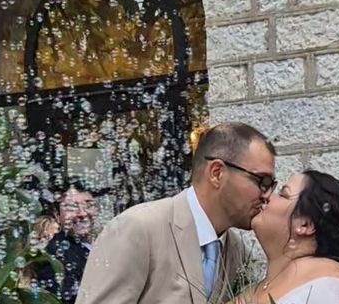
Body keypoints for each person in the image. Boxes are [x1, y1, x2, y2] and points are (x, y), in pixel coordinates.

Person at [76, 122, 277, 304]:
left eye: (271, 186)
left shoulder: (238, 252)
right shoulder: (138, 228)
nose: (267, 195)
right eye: (262, 182)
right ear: (217, 173)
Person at [234, 170, 339, 304]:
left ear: (305, 225)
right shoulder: (269, 283)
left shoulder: (331, 288)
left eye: (283, 195)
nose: (267, 196)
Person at [36, 181, 99, 303]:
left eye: (89, 205)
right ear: (57, 214)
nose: (82, 213)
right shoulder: (55, 255)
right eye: (72, 207)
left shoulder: (102, 243)